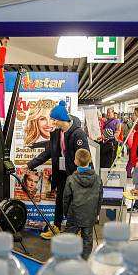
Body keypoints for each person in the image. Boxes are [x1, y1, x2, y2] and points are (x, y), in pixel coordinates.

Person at [27, 100, 90, 240]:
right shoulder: (56, 132)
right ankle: (55, 227)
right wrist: (30, 165)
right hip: (61, 172)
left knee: (75, 202)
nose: (52, 122)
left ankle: (77, 230)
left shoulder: (78, 134)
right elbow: (49, 152)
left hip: (75, 174)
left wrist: (81, 176)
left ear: (62, 119)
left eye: (54, 119)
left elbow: (85, 156)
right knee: (60, 200)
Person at [62, 148, 102, 260]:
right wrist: (96, 213)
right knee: (87, 240)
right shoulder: (98, 179)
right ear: (89, 161)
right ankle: (84, 260)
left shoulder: (71, 179)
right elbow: (100, 199)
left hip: (74, 213)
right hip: (90, 214)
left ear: (75, 161)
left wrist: (66, 213)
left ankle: (68, 259)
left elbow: (66, 199)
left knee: (69, 237)